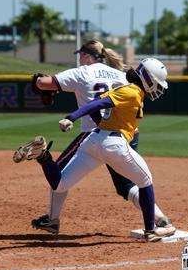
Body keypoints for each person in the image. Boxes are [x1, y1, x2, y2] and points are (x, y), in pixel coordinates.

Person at [14, 58, 176, 242]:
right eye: (156, 83)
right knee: (145, 179)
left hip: (94, 140)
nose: (158, 88)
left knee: (60, 185)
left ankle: (43, 156)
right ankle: (151, 230)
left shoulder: (130, 90)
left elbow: (95, 103)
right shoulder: (132, 91)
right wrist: (71, 118)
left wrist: (101, 125)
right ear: (147, 79)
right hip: (114, 144)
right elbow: (95, 105)